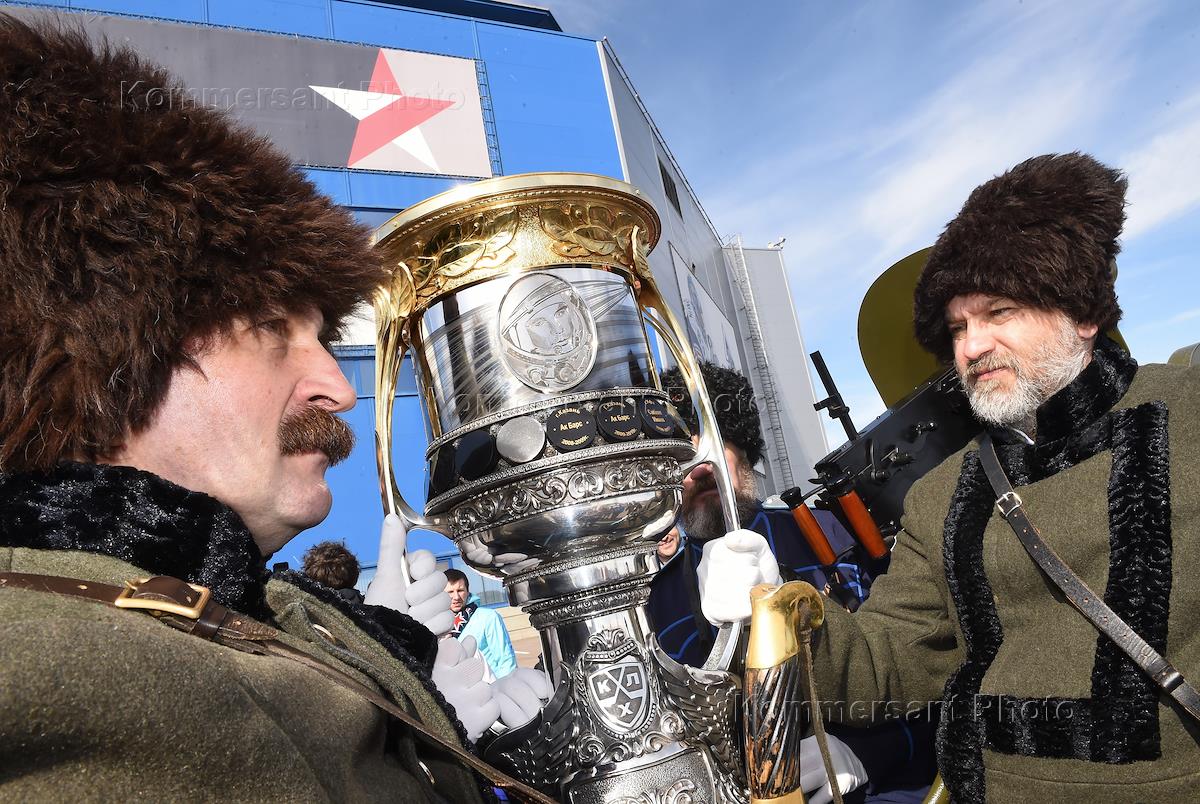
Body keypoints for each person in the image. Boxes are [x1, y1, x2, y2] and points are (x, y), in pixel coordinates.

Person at [0, 17, 501, 801]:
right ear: (112, 349)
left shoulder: (241, 604)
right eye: (272, 326)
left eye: (324, 337)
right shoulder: (57, 674)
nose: (339, 388)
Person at [700, 152, 1200, 801]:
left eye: (999, 312)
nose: (971, 347)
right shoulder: (942, 493)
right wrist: (773, 611)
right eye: (959, 327)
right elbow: (885, 661)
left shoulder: (1186, 414)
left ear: (1082, 313)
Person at [652, 363, 936, 804]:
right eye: (678, 460)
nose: (698, 471)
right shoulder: (656, 603)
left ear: (744, 451)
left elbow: (929, 665)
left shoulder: (834, 534)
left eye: (711, 447)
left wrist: (868, 752)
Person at [446, 568, 519, 679]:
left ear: (468, 591)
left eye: (460, 590)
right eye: (450, 592)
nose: (456, 597)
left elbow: (506, 660)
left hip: (491, 686)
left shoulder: (488, 617)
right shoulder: (439, 627)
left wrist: (505, 687)